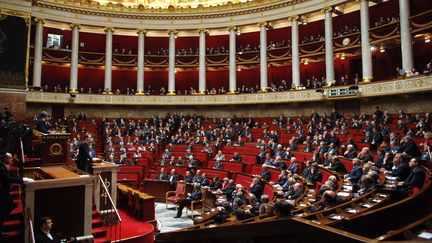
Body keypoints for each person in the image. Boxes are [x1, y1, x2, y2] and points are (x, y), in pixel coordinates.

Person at [0, 153, 33, 237]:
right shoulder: (1, 168)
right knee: (5, 209)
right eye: (10, 158)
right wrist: (22, 180)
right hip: (2, 193)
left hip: (5, 193)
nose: (12, 160)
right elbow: (8, 178)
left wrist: (22, 179)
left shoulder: (4, 166)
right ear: (5, 159)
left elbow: (11, 175)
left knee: (10, 206)